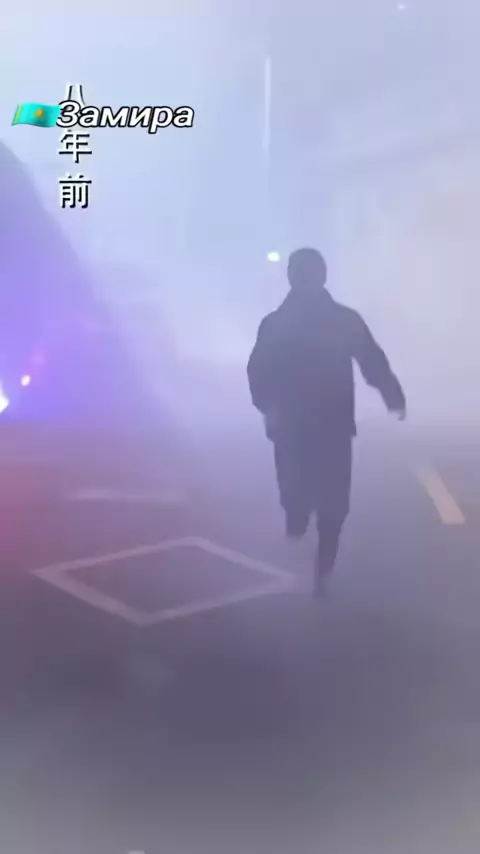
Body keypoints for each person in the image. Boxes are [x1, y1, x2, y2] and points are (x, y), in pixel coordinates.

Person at [247, 247, 406, 595]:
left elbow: (258, 372)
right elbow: (371, 361)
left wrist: (269, 408)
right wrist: (393, 396)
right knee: (314, 496)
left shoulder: (287, 323)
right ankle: (309, 538)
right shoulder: (325, 320)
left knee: (319, 497)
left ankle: (316, 557)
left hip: (308, 425)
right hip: (313, 425)